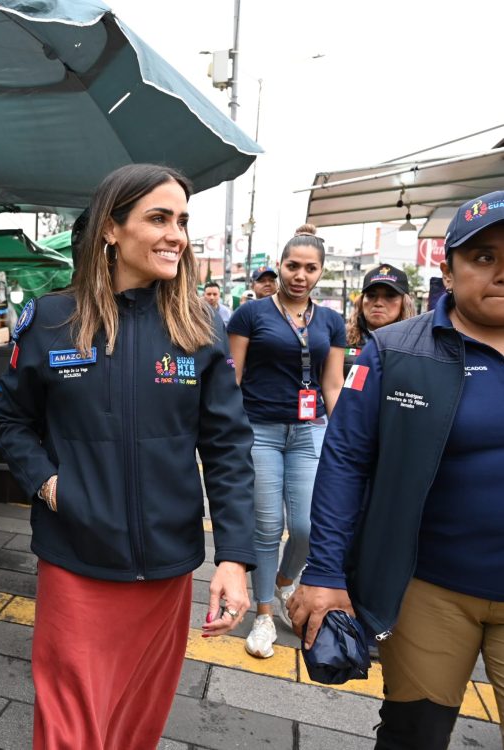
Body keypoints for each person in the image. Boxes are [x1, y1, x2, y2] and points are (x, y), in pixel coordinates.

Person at [0, 164, 256, 749]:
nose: (176, 235)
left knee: (136, 727)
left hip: (167, 565)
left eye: (182, 221)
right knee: (70, 729)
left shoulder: (200, 325)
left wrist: (235, 559)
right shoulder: (52, 321)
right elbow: (11, 421)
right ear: (111, 229)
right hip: (76, 554)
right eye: (159, 218)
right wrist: (48, 484)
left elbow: (228, 447)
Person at [289, 192, 504, 749]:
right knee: (415, 733)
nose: (500, 271)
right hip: (429, 587)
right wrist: (326, 572)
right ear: (447, 269)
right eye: (482, 256)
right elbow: (345, 460)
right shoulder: (396, 351)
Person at [227, 224, 347, 659]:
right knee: (265, 526)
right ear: (279, 266)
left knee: (309, 527)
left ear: (320, 272)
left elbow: (332, 385)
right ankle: (261, 615)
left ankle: (282, 582)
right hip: (258, 429)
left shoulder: (331, 321)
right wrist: (227, 432)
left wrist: (343, 439)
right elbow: (232, 378)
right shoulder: (252, 314)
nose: (300, 275)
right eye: (292, 266)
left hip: (309, 431)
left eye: (309, 268)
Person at [343, 264, 415, 374]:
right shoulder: (340, 338)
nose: (378, 303)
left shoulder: (417, 345)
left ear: (404, 303)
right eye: (371, 295)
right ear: (361, 301)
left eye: (390, 296)